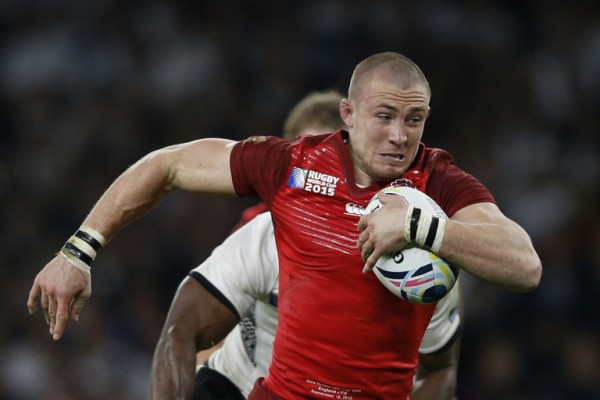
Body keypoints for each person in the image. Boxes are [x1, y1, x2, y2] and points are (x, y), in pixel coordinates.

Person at [28, 51, 542, 400]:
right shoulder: (291, 166)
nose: (400, 136)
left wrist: (421, 228)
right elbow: (168, 165)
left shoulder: (439, 183)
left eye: (415, 120)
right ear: (348, 113)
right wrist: (78, 252)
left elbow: (524, 264)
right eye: (384, 116)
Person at [178, 90, 461, 400]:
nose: (322, 175)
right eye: (310, 160)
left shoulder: (419, 260)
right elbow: (203, 332)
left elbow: (438, 367)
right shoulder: (260, 232)